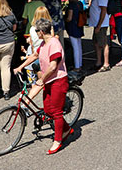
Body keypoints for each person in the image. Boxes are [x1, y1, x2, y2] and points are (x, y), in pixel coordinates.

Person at [14, 18, 72, 154]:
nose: (35, 34)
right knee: (48, 109)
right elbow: (34, 55)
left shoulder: (54, 44)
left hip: (58, 80)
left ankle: (58, 140)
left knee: (56, 112)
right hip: (49, 81)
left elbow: (53, 66)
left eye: (36, 31)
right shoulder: (43, 44)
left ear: (41, 32)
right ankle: (67, 128)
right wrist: (20, 67)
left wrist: (41, 80)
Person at [89, 0, 110, 72]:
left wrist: (99, 25)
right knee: (97, 43)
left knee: (103, 43)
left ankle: (106, 63)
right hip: (97, 24)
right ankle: (99, 61)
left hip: (101, 24)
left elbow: (103, 10)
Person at [65, 0, 84, 72]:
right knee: (79, 46)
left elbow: (69, 18)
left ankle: (77, 66)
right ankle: (79, 64)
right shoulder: (80, 3)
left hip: (72, 26)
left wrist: (63, 20)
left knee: (75, 47)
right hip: (79, 25)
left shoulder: (71, 5)